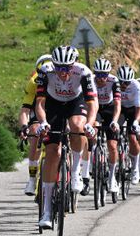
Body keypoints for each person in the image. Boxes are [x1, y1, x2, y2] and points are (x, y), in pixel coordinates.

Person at [34, 46, 98, 229]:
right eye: (59, 68)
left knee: (78, 127)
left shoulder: (84, 72)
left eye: (67, 67)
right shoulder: (46, 71)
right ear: (54, 64)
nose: (63, 72)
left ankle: (77, 172)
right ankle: (46, 210)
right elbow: (39, 103)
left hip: (75, 103)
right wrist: (43, 122)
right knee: (53, 152)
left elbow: (93, 104)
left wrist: (90, 124)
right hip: (53, 105)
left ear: (74, 64)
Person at [19, 54, 52, 195]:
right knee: (35, 131)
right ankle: (32, 178)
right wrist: (24, 127)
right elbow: (25, 110)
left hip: (57, 109)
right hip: (39, 111)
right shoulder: (33, 83)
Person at [92, 58, 122, 194]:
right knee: (92, 131)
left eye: (104, 75)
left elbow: (117, 104)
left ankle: (111, 177)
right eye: (98, 74)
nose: (101, 78)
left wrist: (115, 120)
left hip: (110, 110)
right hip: (96, 109)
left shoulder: (114, 81)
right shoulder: (90, 80)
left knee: (112, 146)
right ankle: (93, 155)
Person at [117, 65, 140, 184]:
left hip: (133, 110)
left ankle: (135, 168)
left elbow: (139, 108)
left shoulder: (136, 86)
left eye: (126, 83)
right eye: (121, 82)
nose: (124, 85)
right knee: (113, 133)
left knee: (132, 138)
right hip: (120, 109)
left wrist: (136, 122)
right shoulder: (114, 84)